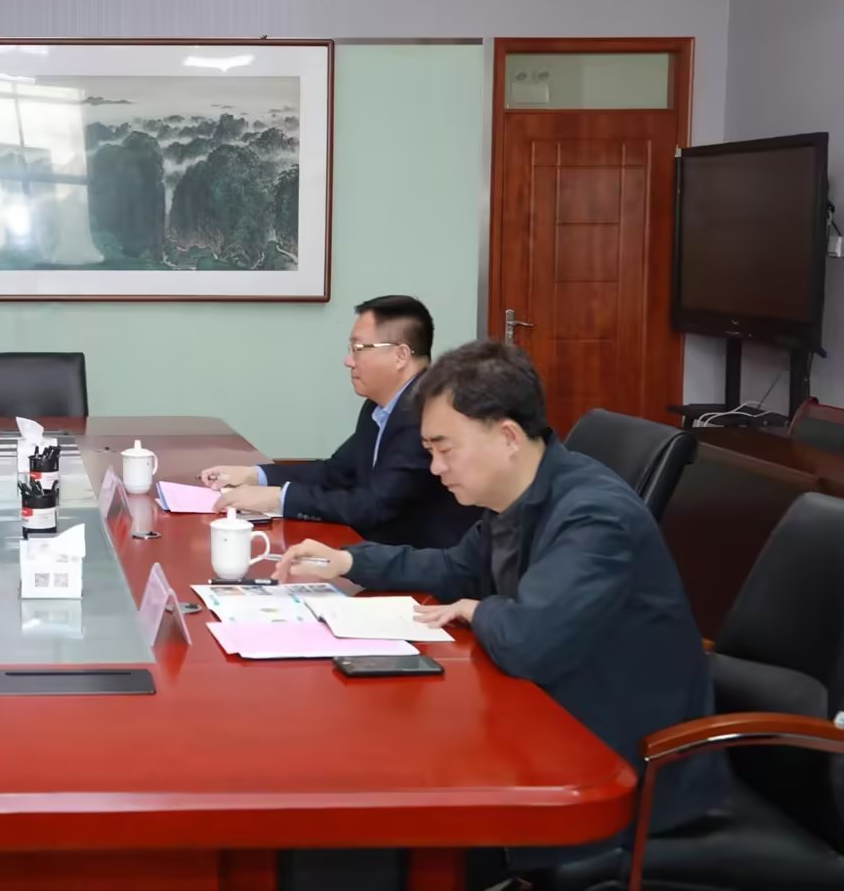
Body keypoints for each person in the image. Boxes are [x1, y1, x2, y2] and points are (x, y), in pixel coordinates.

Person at [274, 340, 727, 874]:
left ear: (508, 436)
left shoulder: (595, 516)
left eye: (446, 449)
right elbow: (453, 567)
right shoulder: (517, 497)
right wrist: (350, 562)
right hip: (547, 725)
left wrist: (475, 610)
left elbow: (529, 642)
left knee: (371, 820)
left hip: (619, 770)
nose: (435, 468)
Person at [202, 295, 475, 548]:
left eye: (358, 349)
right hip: (377, 552)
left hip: (424, 566)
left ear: (400, 356)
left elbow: (375, 506)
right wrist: (253, 475)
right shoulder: (379, 406)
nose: (348, 361)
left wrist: (277, 498)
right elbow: (335, 472)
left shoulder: (427, 414)